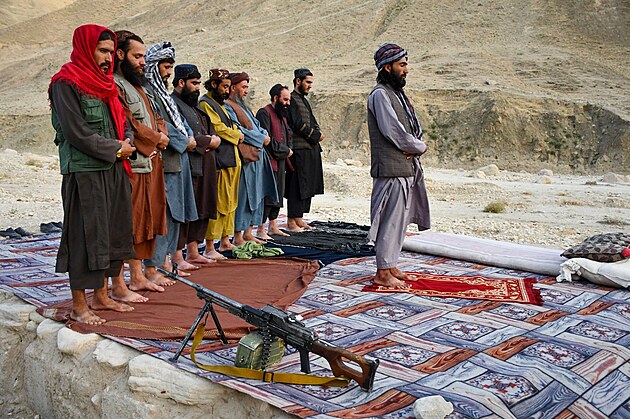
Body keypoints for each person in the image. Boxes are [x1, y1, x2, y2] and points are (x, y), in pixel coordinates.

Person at [50, 24, 136, 324]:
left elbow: (123, 121)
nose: (108, 58)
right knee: (84, 236)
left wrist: (126, 143)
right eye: (102, 51)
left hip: (114, 167)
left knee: (113, 232)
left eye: (111, 52)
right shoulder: (65, 83)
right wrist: (116, 148)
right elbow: (76, 132)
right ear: (86, 49)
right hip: (85, 171)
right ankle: (79, 306)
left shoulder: (107, 84)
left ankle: (102, 296)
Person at [367, 43, 430, 288]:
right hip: (390, 169)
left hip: (403, 168)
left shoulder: (394, 94)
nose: (406, 70)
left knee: (400, 220)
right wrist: (419, 146)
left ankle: (390, 264)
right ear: (387, 67)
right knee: (390, 220)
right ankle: (382, 273)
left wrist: (414, 146)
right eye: (401, 65)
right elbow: (393, 130)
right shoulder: (380, 94)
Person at [114, 31, 170, 293]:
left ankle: (140, 275)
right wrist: (156, 138)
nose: (142, 62)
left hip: (151, 162)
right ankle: (130, 278)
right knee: (133, 222)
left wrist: (162, 134)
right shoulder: (116, 85)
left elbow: (156, 116)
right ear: (121, 55)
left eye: (144, 57)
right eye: (137, 56)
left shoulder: (139, 86)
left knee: (148, 219)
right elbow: (129, 123)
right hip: (135, 163)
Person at [144, 42, 198, 276]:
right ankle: (159, 263)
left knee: (176, 214)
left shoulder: (162, 93)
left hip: (178, 160)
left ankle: (167, 262)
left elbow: (179, 122)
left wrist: (189, 137)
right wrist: (185, 142)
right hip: (166, 161)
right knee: (165, 214)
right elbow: (162, 125)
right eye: (165, 67)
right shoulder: (149, 92)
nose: (168, 72)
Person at [171, 64, 221, 265]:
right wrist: (208, 141)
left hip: (205, 163)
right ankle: (177, 256)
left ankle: (193, 251)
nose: (198, 87)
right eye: (194, 83)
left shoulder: (194, 105)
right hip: (188, 165)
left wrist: (212, 139)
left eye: (199, 83)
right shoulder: (172, 104)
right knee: (185, 210)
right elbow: (180, 134)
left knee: (202, 207)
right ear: (181, 82)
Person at [224, 72, 277, 246]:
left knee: (257, 195)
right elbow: (239, 130)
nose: (246, 91)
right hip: (246, 157)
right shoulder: (228, 106)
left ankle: (248, 233)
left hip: (258, 156)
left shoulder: (244, 106)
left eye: (247, 87)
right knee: (245, 196)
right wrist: (261, 138)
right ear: (233, 87)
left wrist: (264, 135)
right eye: (243, 87)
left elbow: (257, 125)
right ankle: (238, 236)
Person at [198, 69, 242, 258]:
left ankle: (225, 240)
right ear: (214, 85)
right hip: (220, 160)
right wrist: (236, 136)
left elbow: (231, 124)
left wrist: (237, 132)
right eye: (224, 87)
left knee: (231, 202)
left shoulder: (221, 104)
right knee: (219, 204)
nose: (227, 91)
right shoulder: (205, 103)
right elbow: (218, 128)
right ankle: (210, 246)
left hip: (232, 158)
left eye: (228, 87)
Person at [286, 68, 325, 232]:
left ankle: (299, 218)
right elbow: (297, 124)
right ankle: (291, 221)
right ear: (298, 81)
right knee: (297, 186)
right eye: (307, 82)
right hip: (299, 150)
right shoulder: (292, 100)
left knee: (307, 185)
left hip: (309, 149)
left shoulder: (303, 100)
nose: (310, 86)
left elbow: (312, 121)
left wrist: (318, 133)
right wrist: (315, 136)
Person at [256, 84, 293, 239]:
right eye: (285, 99)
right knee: (268, 197)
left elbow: (288, 135)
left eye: (289, 100)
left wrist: (288, 149)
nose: (287, 103)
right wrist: (285, 151)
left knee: (278, 195)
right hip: (269, 161)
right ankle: (261, 229)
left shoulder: (281, 114)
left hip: (281, 160)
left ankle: (272, 226)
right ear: (276, 98)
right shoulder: (264, 113)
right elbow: (268, 140)